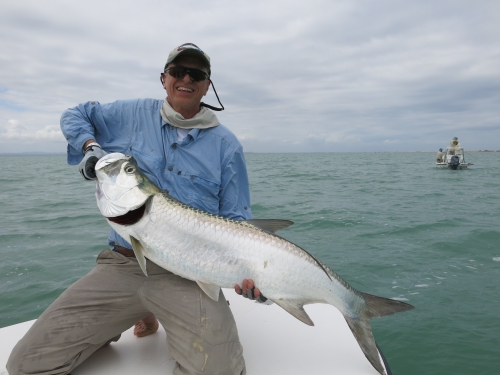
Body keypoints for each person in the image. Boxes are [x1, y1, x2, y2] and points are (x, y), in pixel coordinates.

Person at [7, 42, 263, 375]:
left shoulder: (226, 147)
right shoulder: (131, 114)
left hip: (188, 274)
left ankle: (149, 310)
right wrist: (90, 147)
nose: (186, 78)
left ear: (207, 85)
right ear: (164, 78)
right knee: (25, 364)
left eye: (196, 74)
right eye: (177, 71)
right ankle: (131, 313)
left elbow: (236, 222)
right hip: (122, 264)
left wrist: (254, 275)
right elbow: (75, 115)